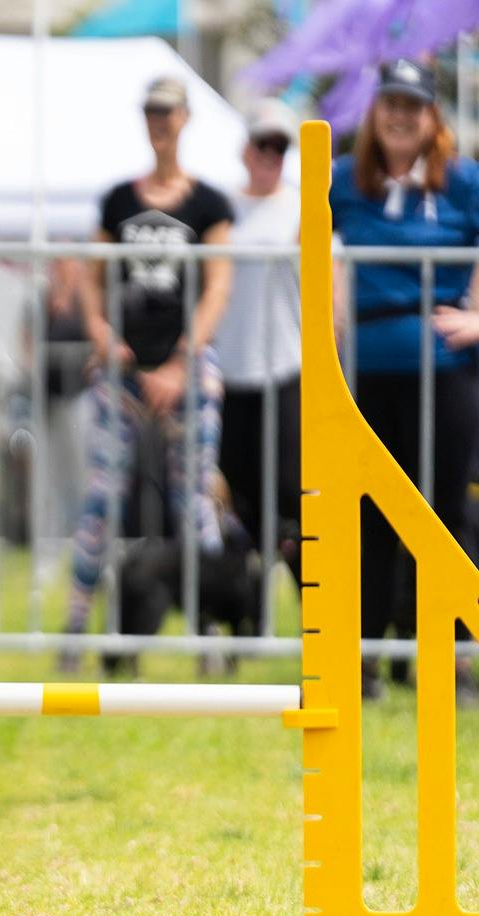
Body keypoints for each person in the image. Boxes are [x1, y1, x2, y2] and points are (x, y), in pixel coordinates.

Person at [61, 76, 234, 666]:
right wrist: (102, 334)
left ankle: (209, 637)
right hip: (124, 371)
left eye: (169, 112)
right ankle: (74, 629)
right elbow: (90, 274)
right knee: (102, 499)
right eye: (152, 113)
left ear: (186, 118)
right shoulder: (117, 200)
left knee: (196, 502)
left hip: (186, 369)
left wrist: (184, 359)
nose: (160, 123)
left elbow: (217, 287)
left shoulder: (209, 203)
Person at [330, 58, 479, 700]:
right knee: (366, 517)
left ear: (432, 117)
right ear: (374, 112)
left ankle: (451, 658)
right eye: (390, 102)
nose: (400, 116)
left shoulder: (463, 181)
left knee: (444, 513)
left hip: (445, 372)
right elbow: (311, 250)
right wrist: (328, 328)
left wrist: (478, 319)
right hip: (366, 371)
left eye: (413, 106)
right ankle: (361, 656)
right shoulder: (343, 180)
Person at [216, 98, 304, 583]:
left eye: (279, 146)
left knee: (293, 497)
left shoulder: (301, 207)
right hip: (229, 372)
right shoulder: (221, 208)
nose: (270, 154)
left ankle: (314, 621)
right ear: (245, 148)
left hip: (286, 369)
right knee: (238, 497)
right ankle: (241, 620)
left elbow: (328, 290)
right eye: (262, 143)